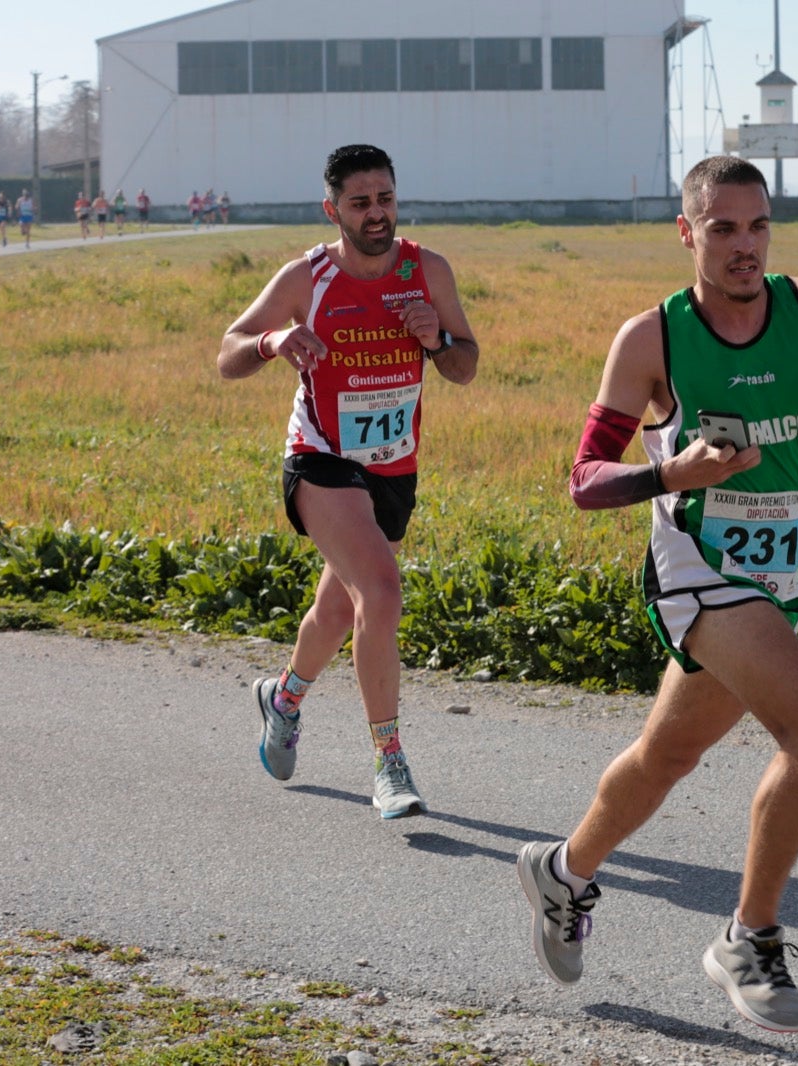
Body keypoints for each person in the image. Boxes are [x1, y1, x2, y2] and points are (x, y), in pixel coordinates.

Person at [515, 156, 798, 1034]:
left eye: (757, 226)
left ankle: (562, 871)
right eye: (721, 228)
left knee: (667, 756)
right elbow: (581, 480)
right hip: (697, 569)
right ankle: (748, 939)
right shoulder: (651, 338)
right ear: (686, 232)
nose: (743, 246)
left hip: (780, 575)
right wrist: (670, 471)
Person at [217, 143, 480, 820]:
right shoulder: (307, 276)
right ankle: (389, 762)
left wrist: (438, 343)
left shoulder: (429, 271)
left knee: (339, 611)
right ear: (331, 208)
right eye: (360, 203)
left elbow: (465, 366)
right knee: (384, 592)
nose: (376, 214)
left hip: (393, 469)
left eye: (385, 198)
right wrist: (274, 342)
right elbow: (229, 354)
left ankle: (284, 699)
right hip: (322, 459)